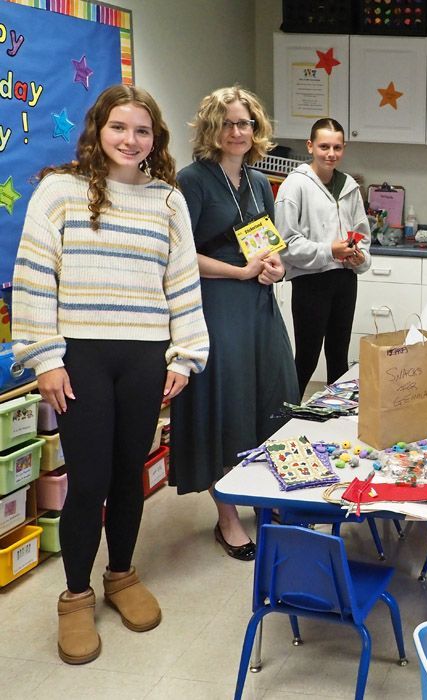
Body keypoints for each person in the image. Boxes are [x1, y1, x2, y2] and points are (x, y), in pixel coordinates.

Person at [12, 85, 209, 664]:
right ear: (99, 129)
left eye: (142, 130)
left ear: (156, 140)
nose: (130, 139)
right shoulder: (59, 191)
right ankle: (76, 597)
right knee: (90, 480)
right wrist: (45, 358)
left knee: (130, 475)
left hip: (145, 357)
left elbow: (182, 285)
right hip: (82, 359)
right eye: (119, 127)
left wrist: (186, 355)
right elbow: (33, 276)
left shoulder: (168, 201)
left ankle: (121, 575)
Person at [171, 86, 299, 560]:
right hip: (216, 302)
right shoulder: (192, 181)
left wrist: (273, 268)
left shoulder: (259, 181)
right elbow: (181, 256)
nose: (237, 131)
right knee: (224, 403)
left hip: (258, 303)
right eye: (227, 123)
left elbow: (268, 244)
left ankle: (270, 493)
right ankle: (227, 516)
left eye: (244, 123)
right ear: (211, 129)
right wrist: (240, 271)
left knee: (274, 392)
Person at [275, 118, 371, 396]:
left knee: (339, 357)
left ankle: (335, 420)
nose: (331, 153)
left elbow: (362, 235)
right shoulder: (295, 186)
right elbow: (286, 244)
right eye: (324, 146)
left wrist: (359, 257)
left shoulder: (349, 185)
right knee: (307, 357)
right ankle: (284, 419)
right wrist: (329, 250)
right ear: (310, 146)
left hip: (344, 279)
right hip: (311, 281)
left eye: (337, 147)